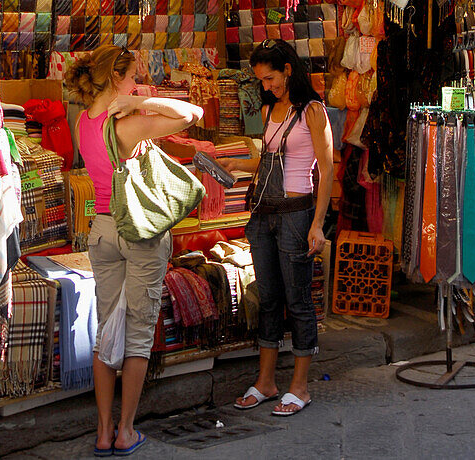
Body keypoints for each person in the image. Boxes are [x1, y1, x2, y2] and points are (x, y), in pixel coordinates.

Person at [64, 46, 203, 457]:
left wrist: (132, 100)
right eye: (130, 79)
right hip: (139, 232)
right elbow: (191, 114)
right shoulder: (128, 125)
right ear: (115, 80)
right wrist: (141, 102)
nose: (135, 84)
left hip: (103, 230)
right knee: (138, 335)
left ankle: (103, 432)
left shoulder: (84, 122)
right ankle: (126, 431)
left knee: (107, 330)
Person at [220, 38, 333, 417]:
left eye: (270, 78)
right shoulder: (272, 109)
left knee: (298, 301)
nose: (266, 86)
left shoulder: (313, 110)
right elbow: (267, 161)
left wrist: (318, 224)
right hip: (265, 214)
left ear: (288, 69)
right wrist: (236, 168)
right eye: (261, 81)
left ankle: (299, 387)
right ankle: (266, 382)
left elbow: (327, 170)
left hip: (297, 215)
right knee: (268, 298)